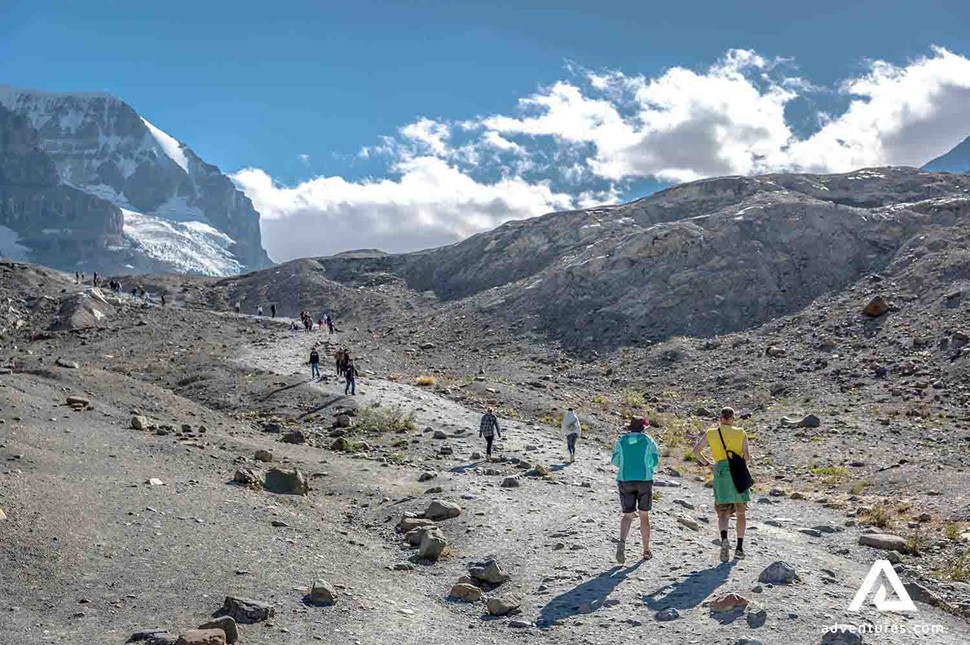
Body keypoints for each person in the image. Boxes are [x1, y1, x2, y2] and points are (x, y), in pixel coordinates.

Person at [692, 407, 752, 562]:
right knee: (741, 512)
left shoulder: (712, 433)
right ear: (732, 418)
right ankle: (739, 548)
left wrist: (708, 464)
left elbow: (696, 450)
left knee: (723, 511)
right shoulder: (740, 433)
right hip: (738, 472)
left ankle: (724, 538)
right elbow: (747, 457)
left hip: (721, 472)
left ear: (720, 418)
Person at [611, 416, 660, 564]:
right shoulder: (649, 441)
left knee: (627, 515)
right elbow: (655, 460)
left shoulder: (621, 441)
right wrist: (648, 468)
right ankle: (645, 550)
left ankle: (622, 543)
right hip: (644, 480)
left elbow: (615, 461)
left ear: (630, 428)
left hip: (625, 479)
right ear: (643, 428)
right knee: (644, 516)